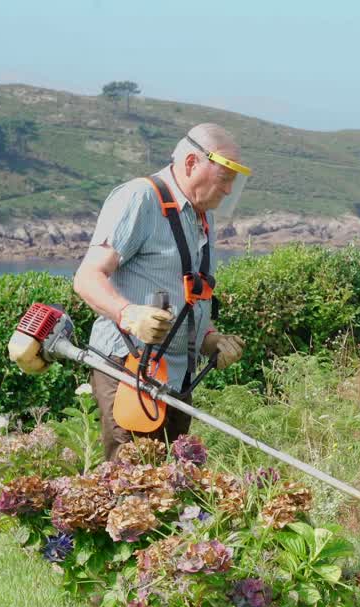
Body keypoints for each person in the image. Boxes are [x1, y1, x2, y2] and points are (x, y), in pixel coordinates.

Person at [72, 123, 247, 460]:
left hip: (179, 377)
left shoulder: (200, 217)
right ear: (192, 164)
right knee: (132, 490)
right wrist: (129, 314)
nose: (228, 190)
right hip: (130, 369)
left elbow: (188, 296)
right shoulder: (140, 197)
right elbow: (87, 277)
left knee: (168, 489)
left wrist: (210, 339)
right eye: (224, 178)